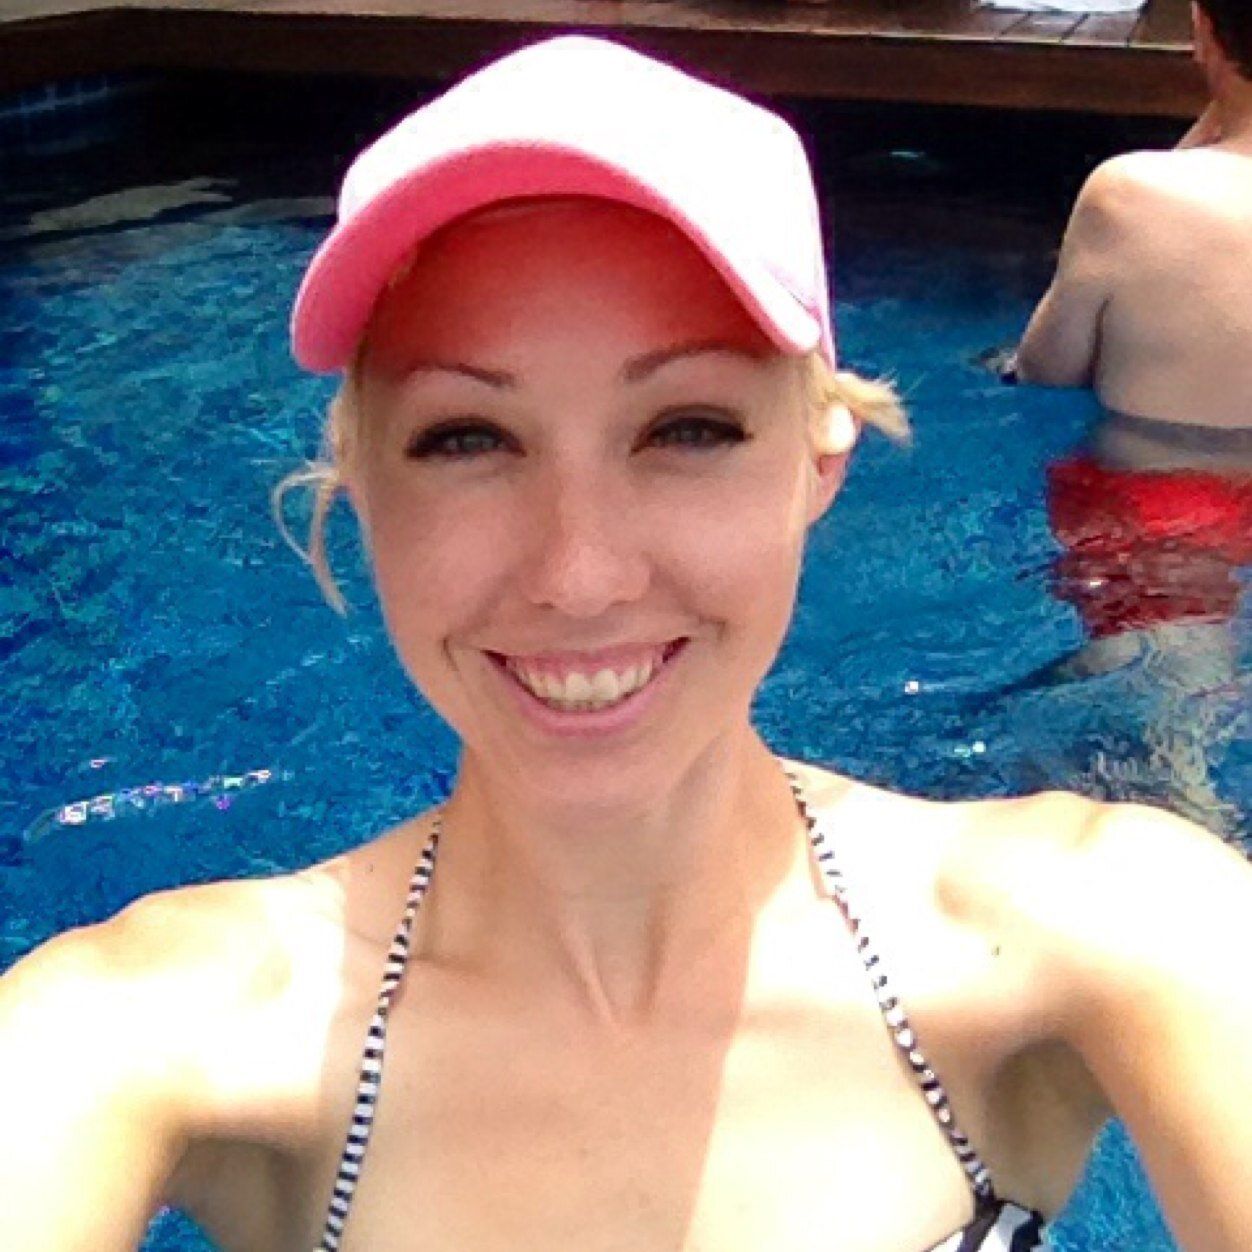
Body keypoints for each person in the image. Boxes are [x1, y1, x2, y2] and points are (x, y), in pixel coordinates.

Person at [2, 34, 1252, 1252]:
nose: (579, 575)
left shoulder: (1104, 930)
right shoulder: (154, 1037)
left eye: (688, 427)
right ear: (359, 487)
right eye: (465, 438)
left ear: (818, 460)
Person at [1011, 0, 1252, 836]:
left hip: (1165, 513)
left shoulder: (1130, 195)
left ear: (1202, 29)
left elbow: (1044, 371)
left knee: (1169, 757)